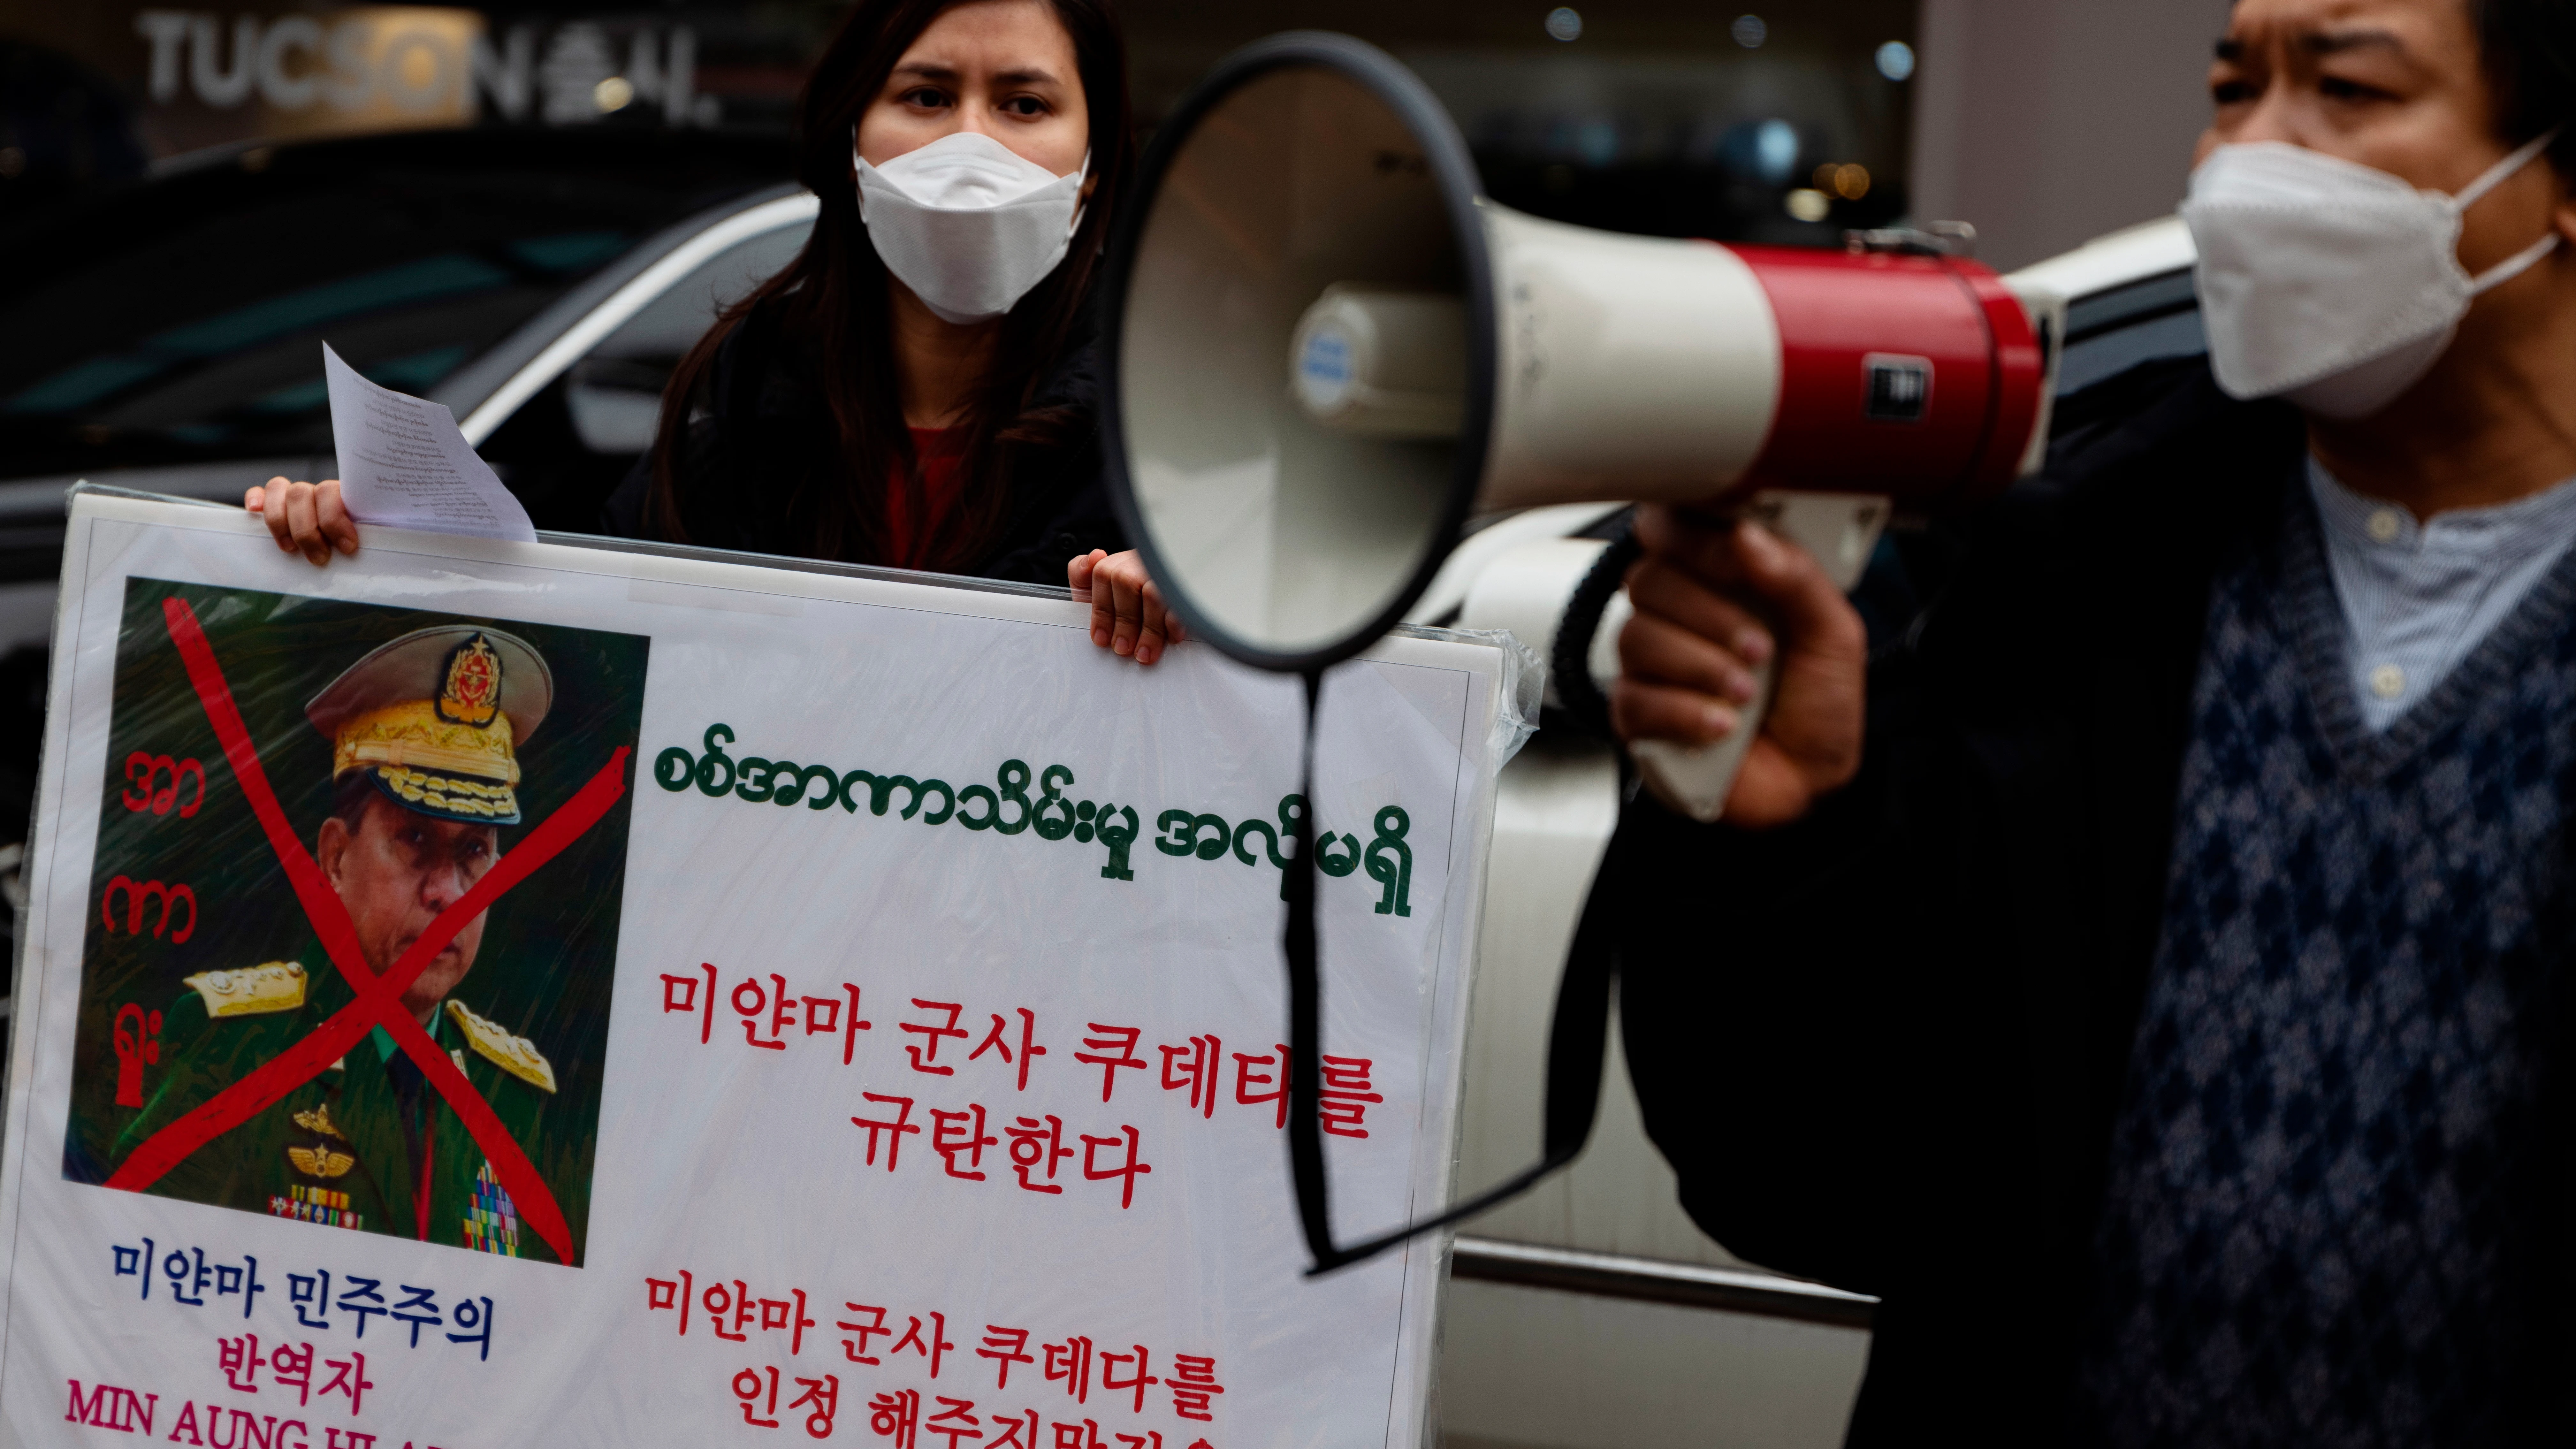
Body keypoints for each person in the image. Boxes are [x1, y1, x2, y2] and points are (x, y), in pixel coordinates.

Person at [1607, 0, 2576, 1442]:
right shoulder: (2056, 586)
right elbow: (1808, 1182)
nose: (2246, 157)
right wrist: (1794, 843)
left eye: (2346, 87)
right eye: (2234, 86)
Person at [245, 0, 1185, 667]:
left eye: (1024, 105)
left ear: (1094, 164)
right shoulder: (744, 401)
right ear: (852, 145)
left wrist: (1210, 610)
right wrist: (370, 550)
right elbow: (576, 627)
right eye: (928, 97)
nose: (971, 149)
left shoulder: (1190, 445)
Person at [108, 626, 587, 1262]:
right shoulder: (235, 1045)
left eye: (474, 851)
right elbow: (124, 1279)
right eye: (415, 840)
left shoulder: (513, 1093)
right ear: (335, 858)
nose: (448, 893)